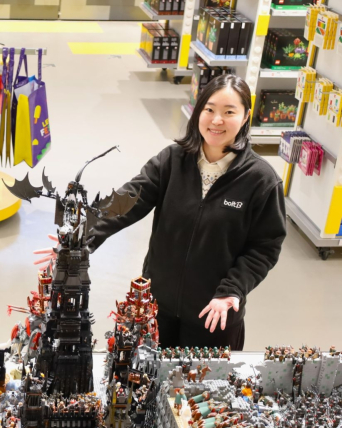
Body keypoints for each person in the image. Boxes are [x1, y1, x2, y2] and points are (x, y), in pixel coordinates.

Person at [91, 74, 286, 350]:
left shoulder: (262, 180)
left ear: (245, 117)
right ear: (198, 111)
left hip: (214, 314)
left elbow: (265, 247)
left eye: (229, 112)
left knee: (203, 378)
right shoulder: (172, 161)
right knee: (147, 374)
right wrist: (81, 237)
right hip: (157, 309)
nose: (216, 120)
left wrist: (232, 289)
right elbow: (129, 200)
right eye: (209, 109)